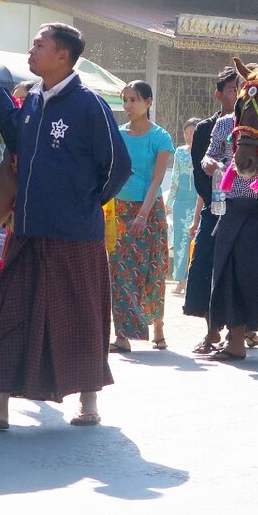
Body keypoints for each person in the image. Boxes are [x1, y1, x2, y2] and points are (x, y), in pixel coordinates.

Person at [0, 23, 131, 429]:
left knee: (81, 315)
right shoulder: (33, 99)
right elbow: (15, 134)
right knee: (10, 310)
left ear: (63, 56)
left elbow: (118, 165)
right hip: (28, 230)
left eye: (39, 45)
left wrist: (85, 204)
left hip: (75, 233)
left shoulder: (89, 105)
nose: (31, 51)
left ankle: (88, 401)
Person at [200, 96, 258, 361]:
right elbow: (210, 154)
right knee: (229, 272)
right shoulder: (224, 124)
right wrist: (208, 163)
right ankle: (237, 342)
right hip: (231, 208)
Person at [108, 81, 173, 352]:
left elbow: (157, 180)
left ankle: (157, 328)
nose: (128, 106)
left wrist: (143, 214)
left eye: (134, 100)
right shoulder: (118, 134)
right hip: (120, 211)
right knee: (119, 273)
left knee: (152, 270)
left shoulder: (161, 137)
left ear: (148, 102)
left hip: (150, 212)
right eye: (125, 100)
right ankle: (121, 335)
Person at [183, 66, 240, 353]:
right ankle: (211, 330)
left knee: (240, 270)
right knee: (204, 264)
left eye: (243, 88)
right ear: (218, 94)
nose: (240, 93)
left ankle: (240, 331)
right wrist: (217, 200)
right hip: (216, 208)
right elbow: (199, 172)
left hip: (246, 211)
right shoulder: (206, 129)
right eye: (233, 89)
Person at [168, 118, 201, 296]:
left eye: (193, 133)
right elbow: (174, 178)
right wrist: (169, 202)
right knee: (180, 241)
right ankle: (181, 280)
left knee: (196, 242)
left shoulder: (205, 152)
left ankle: (194, 280)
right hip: (181, 201)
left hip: (198, 202)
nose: (189, 136)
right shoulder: (180, 152)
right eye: (187, 133)